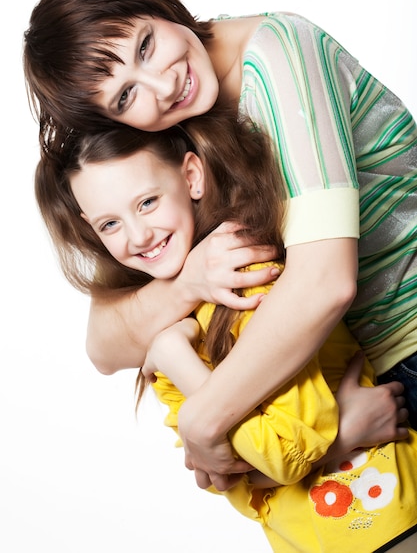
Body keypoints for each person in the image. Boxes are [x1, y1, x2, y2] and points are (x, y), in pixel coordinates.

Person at [24, 0, 417, 491]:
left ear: (157, 6)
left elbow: (325, 283)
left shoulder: (280, 55)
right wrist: (187, 283)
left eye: (146, 44)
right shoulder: (169, 125)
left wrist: (204, 418)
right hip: (346, 383)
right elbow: (104, 345)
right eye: (124, 98)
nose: (163, 85)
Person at [34, 112, 417, 552]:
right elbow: (219, 473)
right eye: (110, 224)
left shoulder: (248, 280)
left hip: (382, 518)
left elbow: (280, 451)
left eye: (147, 202)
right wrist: (340, 432)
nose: (138, 235)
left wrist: (178, 361)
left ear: (192, 177)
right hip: (310, 537)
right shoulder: (172, 325)